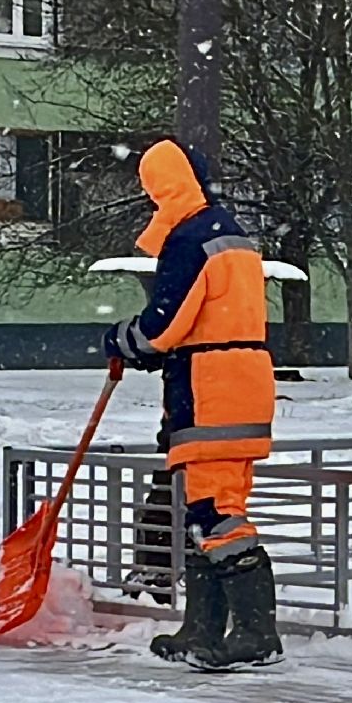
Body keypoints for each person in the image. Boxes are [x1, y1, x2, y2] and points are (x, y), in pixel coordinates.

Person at [104, 139, 282, 669]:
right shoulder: (229, 235)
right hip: (232, 382)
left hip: (211, 392)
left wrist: (121, 340)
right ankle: (201, 632)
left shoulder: (191, 239)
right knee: (203, 515)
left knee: (216, 514)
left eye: (153, 191)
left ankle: (256, 634)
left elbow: (164, 324)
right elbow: (208, 321)